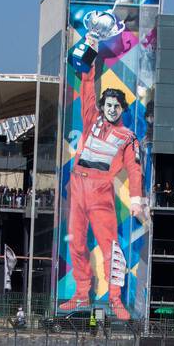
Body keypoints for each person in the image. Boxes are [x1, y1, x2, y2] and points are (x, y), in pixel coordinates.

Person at [60, 45, 146, 321]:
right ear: (103, 106)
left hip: (100, 190)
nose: (111, 109)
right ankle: (81, 293)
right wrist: (91, 57)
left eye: (116, 106)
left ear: (122, 109)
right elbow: (87, 88)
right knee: (75, 242)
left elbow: (134, 169)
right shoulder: (92, 119)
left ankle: (115, 297)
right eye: (108, 104)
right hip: (77, 185)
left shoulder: (127, 136)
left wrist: (136, 199)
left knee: (110, 246)